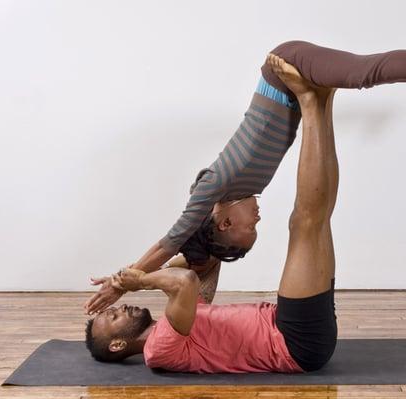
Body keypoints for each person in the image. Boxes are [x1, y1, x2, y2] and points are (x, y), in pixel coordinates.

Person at [84, 41, 406, 314]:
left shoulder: (213, 188)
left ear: (224, 221)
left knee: (363, 73)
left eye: (250, 227)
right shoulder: (237, 194)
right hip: (296, 89)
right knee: (360, 75)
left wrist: (128, 281)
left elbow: (169, 240)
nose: (259, 218)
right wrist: (188, 275)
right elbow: (196, 270)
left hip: (285, 68)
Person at [85, 55, 341, 372]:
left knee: (317, 218)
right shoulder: (159, 350)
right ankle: (307, 98)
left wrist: (128, 275)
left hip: (290, 328)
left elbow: (199, 265)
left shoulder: (182, 317)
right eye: (113, 316)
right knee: (305, 222)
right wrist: (141, 280)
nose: (120, 308)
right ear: (118, 345)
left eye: (113, 309)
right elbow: (184, 282)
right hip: (293, 341)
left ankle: (324, 99)